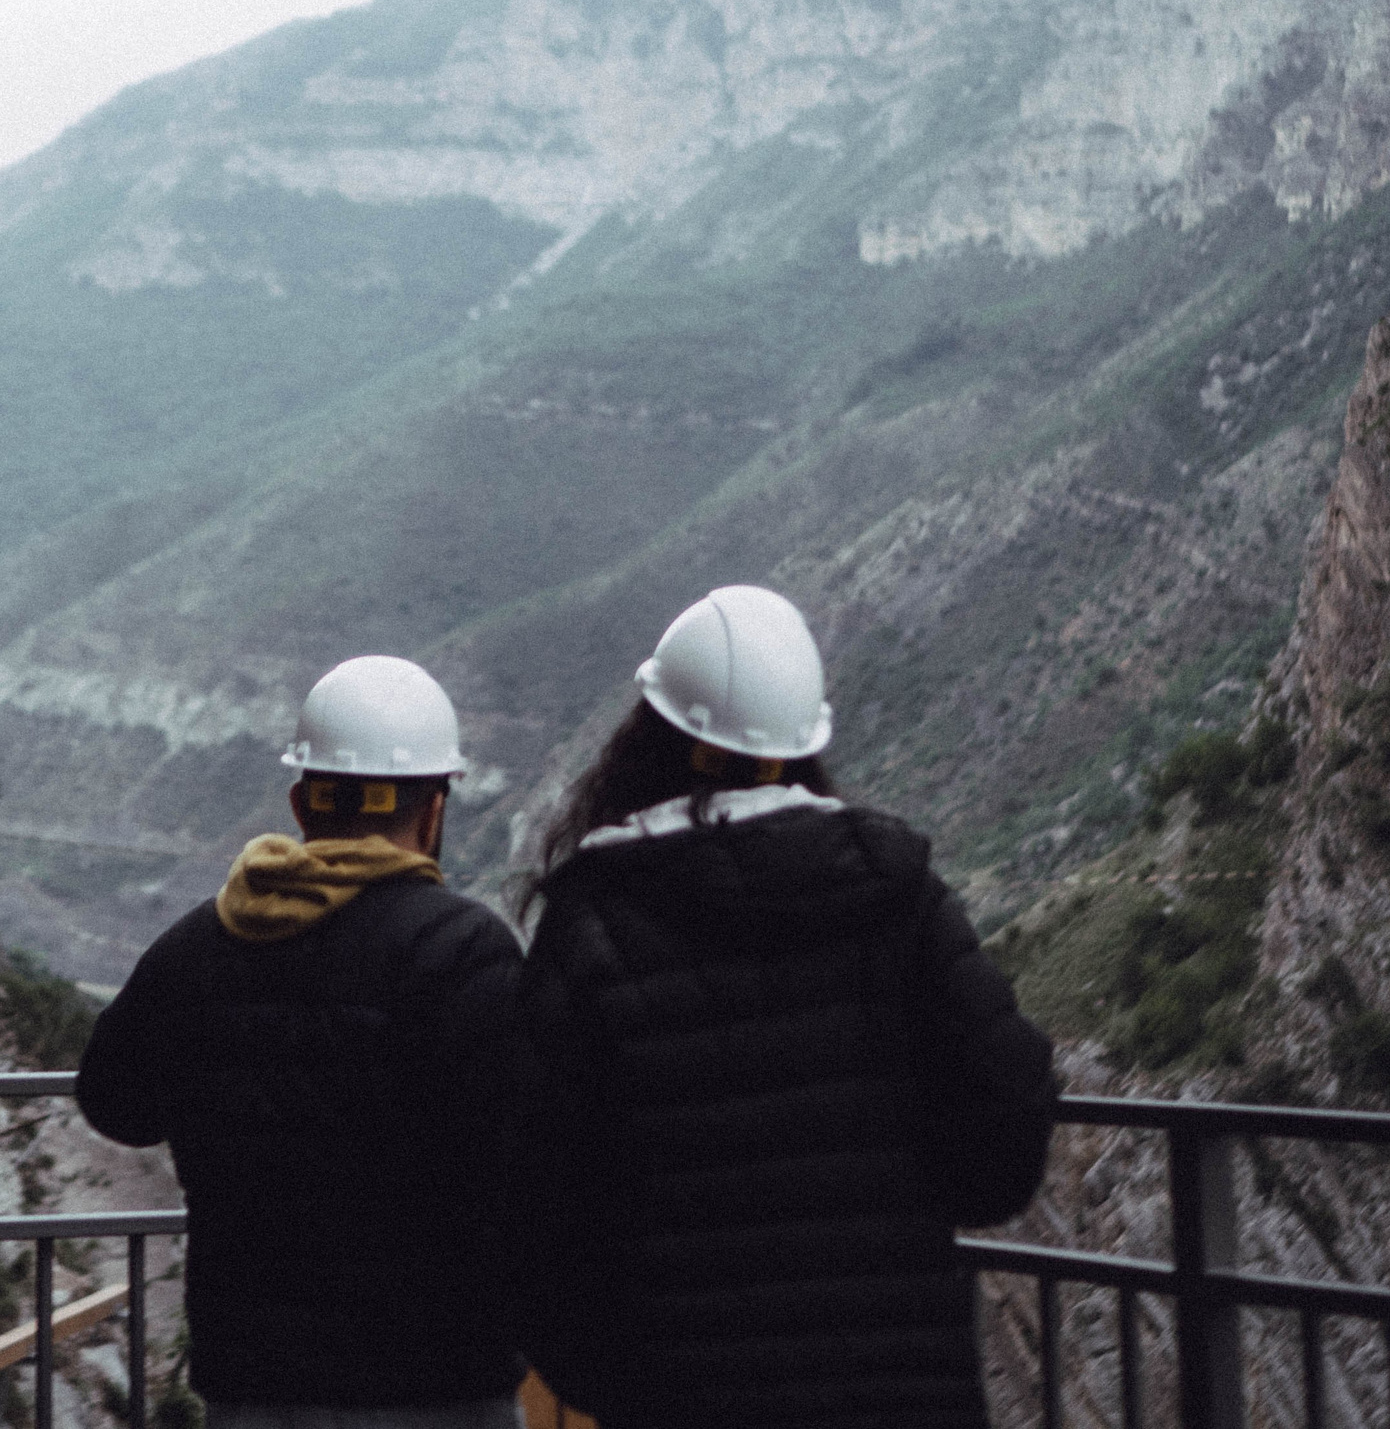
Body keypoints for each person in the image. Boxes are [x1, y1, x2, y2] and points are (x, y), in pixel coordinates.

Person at [510, 586, 1057, 1429]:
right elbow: (1005, 1126)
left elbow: (538, 1212)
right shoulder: (895, 890)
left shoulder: (592, 926)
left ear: (651, 734)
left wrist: (619, 1383)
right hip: (901, 1395)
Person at [77, 655, 526, 1429]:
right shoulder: (463, 949)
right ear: (436, 809)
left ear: (300, 800)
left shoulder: (197, 946)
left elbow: (114, 1101)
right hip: (436, 1377)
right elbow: (522, 1153)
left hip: (255, 1380)